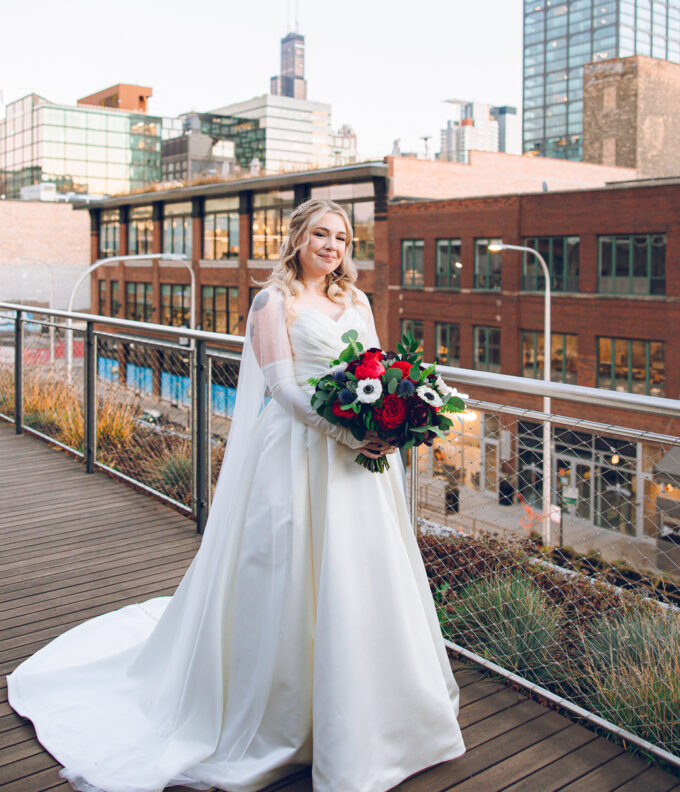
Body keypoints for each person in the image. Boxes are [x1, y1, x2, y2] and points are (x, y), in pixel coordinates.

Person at [8, 198, 466, 792]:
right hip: (300, 454)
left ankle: (375, 718)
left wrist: (383, 428)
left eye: (343, 238)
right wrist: (350, 433)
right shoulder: (271, 301)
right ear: (298, 237)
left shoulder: (356, 301)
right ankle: (287, 719)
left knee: (360, 575)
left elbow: (373, 371)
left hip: (356, 467)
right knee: (293, 575)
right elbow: (280, 388)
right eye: (321, 234)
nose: (332, 246)